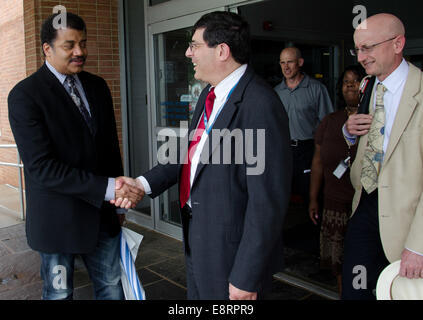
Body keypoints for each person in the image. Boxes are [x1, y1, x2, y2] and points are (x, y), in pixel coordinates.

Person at [113, 11, 292, 300]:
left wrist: (247, 276)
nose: (188, 53)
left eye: (195, 45)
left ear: (222, 50)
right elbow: (190, 154)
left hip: (232, 255)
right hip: (200, 240)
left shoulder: (260, 104)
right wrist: (141, 184)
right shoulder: (210, 95)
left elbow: (267, 202)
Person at [8, 12, 142, 300]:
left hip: (102, 217)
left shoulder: (98, 86)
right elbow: (42, 167)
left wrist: (118, 205)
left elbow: (109, 149)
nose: (80, 52)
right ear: (47, 48)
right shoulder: (25, 96)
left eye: (83, 43)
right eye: (69, 45)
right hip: (57, 224)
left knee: (111, 289)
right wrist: (109, 188)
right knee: (59, 295)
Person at [342, 13, 423, 300]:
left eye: (368, 47)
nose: (361, 57)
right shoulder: (368, 86)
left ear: (398, 44)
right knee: (356, 289)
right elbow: (369, 137)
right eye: (357, 49)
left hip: (408, 221)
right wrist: (349, 131)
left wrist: (418, 245)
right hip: (365, 204)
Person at [308, 65, 365, 296]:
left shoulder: (376, 120)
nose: (350, 85)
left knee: (362, 262)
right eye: (345, 81)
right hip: (334, 205)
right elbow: (318, 162)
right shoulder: (330, 121)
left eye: (355, 80)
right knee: (339, 267)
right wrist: (313, 198)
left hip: (362, 205)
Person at [274, 47, 333, 213]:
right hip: (283, 150)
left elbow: (326, 123)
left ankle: (313, 235)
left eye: (290, 62)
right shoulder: (276, 92)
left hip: (308, 150)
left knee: (310, 196)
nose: (286, 67)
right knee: (282, 196)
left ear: (299, 63)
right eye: (282, 63)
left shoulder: (316, 89)